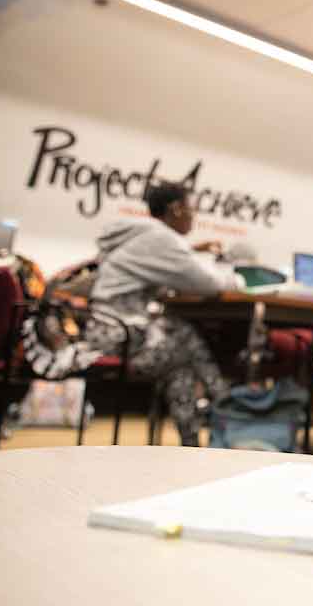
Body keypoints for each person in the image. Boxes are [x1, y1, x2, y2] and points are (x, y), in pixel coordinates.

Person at [87, 180, 239, 446]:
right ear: (176, 208)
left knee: (180, 366)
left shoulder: (142, 233)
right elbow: (210, 284)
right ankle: (228, 406)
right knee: (185, 335)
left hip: (105, 330)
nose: (194, 216)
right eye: (191, 208)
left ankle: (193, 444)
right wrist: (238, 279)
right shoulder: (162, 238)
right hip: (118, 337)